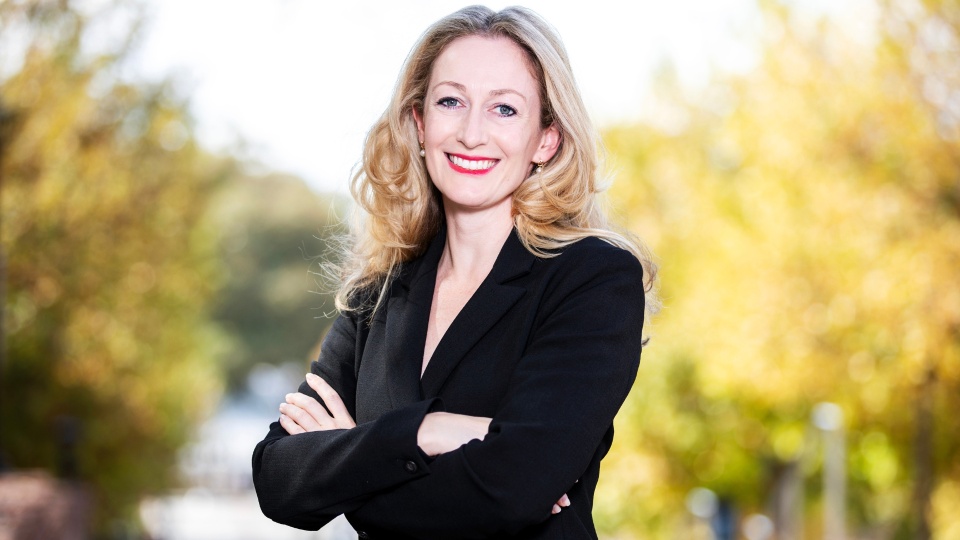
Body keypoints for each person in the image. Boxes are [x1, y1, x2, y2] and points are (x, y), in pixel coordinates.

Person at [252, 5, 658, 539]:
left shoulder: (592, 279)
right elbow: (279, 480)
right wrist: (430, 430)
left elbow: (512, 492)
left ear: (546, 139)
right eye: (451, 101)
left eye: (505, 110)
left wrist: (353, 463)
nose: (471, 133)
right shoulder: (379, 291)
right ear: (419, 124)